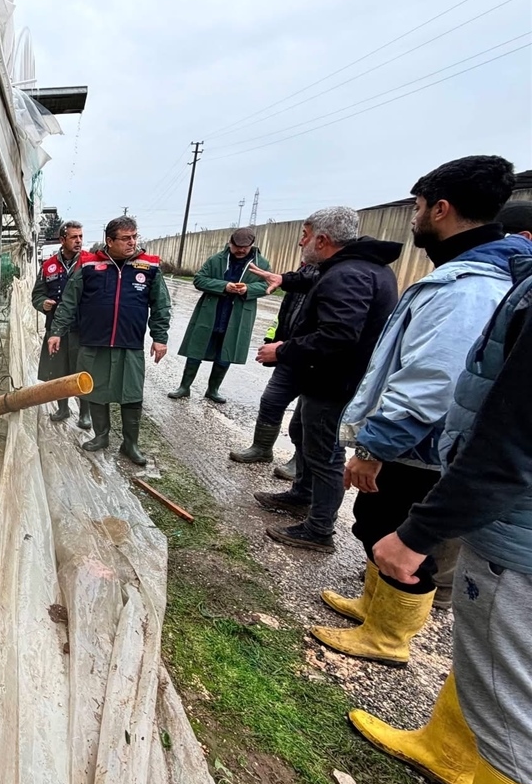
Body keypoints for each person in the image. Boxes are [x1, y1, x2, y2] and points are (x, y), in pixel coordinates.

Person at [350, 251, 532, 784]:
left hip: (518, 534)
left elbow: (508, 443)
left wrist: (422, 531)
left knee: (512, 695)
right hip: (509, 521)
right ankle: (448, 751)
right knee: (487, 665)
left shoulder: (473, 290)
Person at [311, 156, 525, 665]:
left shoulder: (468, 287)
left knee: (401, 535)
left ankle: (387, 637)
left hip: (417, 445)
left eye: (420, 206)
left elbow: (433, 381)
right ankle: (373, 607)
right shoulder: (464, 273)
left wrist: (375, 446)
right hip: (416, 443)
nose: (414, 216)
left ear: (442, 209)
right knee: (374, 521)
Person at [249, 207, 400, 552]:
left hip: (335, 383)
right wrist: (285, 279)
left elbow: (338, 335)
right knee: (302, 431)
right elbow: (314, 280)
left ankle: (319, 530)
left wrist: (283, 350)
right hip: (323, 378)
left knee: (325, 454)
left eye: (304, 234)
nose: (301, 242)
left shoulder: (350, 275)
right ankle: (301, 494)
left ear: (322, 239)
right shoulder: (355, 266)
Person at [47, 216, 171, 464]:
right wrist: (56, 331)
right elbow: (69, 301)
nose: (132, 242)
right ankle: (101, 435)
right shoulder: (90, 266)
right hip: (94, 342)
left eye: (135, 237)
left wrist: (160, 337)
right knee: (96, 390)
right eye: (126, 238)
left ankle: (130, 444)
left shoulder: (148, 268)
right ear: (109, 240)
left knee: (132, 394)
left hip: (130, 343)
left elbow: (161, 305)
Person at [229, 261, 320, 470]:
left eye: (306, 236)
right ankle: (261, 448)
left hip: (314, 355)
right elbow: (288, 311)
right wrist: (275, 342)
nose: (301, 242)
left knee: (307, 415)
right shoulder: (305, 270)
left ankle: (301, 463)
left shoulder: (335, 274)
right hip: (290, 350)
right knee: (271, 400)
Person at [167, 227, 271, 404]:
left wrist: (248, 289)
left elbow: (268, 286)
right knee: (197, 348)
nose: (240, 250)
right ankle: (184, 387)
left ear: (252, 245)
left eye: (244, 247)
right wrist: (224, 286)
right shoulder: (217, 259)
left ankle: (213, 390)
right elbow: (199, 279)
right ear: (230, 243)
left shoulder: (261, 264)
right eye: (237, 246)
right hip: (211, 312)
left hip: (237, 315)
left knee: (226, 351)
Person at [33, 220, 91, 429]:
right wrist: (43, 304)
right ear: (62, 239)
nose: (78, 241)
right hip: (56, 327)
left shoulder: (89, 262)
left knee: (82, 369)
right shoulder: (48, 266)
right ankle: (63, 408)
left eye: (80, 237)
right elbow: (37, 294)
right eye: (74, 237)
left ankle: (85, 413)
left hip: (81, 328)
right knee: (58, 370)